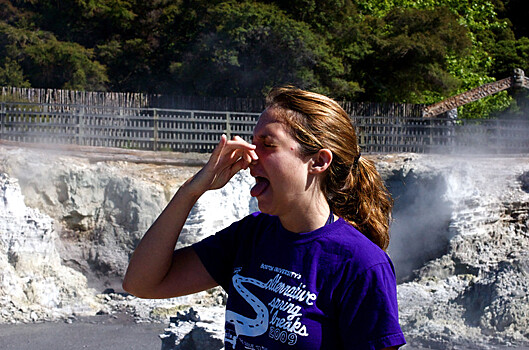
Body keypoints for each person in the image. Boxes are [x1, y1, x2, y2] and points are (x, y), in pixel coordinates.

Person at [123, 86, 406, 349]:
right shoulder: (250, 236)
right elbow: (141, 284)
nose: (251, 156)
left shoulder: (361, 265)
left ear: (319, 161)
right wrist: (191, 190)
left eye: (267, 145)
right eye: (253, 142)